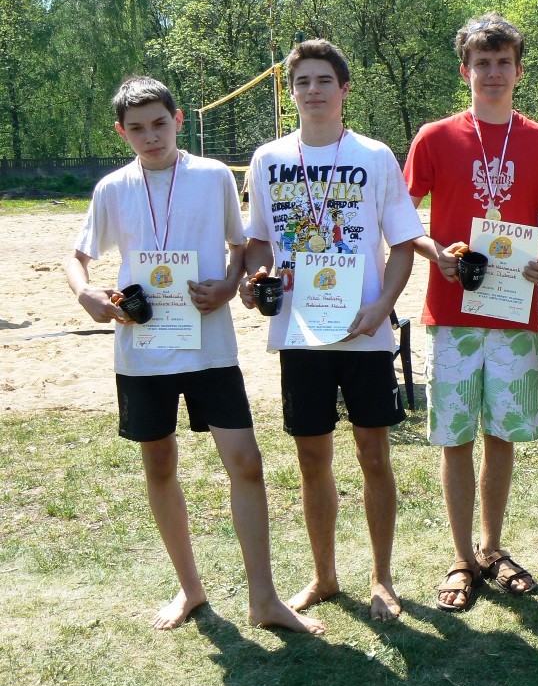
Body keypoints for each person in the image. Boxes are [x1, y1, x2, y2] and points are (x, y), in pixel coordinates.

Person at [64, 76, 324, 635]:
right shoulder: (112, 188)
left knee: (246, 463)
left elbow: (240, 247)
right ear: (121, 132)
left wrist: (229, 286)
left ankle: (264, 599)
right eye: (137, 129)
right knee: (159, 466)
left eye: (160, 123)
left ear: (178, 120)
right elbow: (77, 256)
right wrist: (85, 294)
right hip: (143, 352)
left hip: (210, 348)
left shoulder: (213, 177)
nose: (151, 137)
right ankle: (190, 588)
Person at [242, 39, 424, 622]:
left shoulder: (374, 155)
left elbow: (403, 243)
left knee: (374, 454)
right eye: (303, 82)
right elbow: (259, 242)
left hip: (364, 331)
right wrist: (255, 279)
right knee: (311, 458)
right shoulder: (268, 159)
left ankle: (382, 579)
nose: (313, 90)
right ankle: (324, 576)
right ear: (291, 92)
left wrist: (383, 307)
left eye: (324, 80)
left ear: (344, 90)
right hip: (301, 335)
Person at [404, 14, 538, 611]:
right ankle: (460, 557)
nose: (493, 73)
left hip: (513, 313)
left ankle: (492, 548)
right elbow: (401, 215)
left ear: (518, 71)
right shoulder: (434, 137)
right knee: (455, 437)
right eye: (483, 63)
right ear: (465, 70)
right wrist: (435, 255)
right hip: (450, 311)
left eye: (503, 63)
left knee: (502, 433)